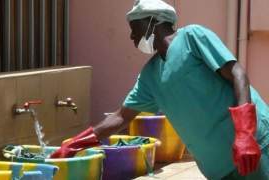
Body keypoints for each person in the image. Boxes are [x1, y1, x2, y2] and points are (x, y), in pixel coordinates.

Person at [49, 0, 269, 179]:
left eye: (134, 28)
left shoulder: (192, 37)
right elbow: (121, 116)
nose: (132, 36)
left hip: (256, 148)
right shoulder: (150, 75)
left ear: (153, 22)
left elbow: (237, 74)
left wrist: (244, 135)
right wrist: (76, 144)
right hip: (219, 170)